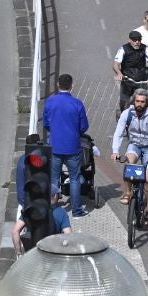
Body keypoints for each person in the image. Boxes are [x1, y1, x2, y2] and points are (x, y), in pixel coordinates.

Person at [112, 88, 148, 224]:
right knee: (128, 165)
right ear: (134, 101)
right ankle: (128, 193)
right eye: (137, 101)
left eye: (142, 102)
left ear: (146, 103)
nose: (139, 104)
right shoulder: (127, 113)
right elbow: (118, 132)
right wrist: (115, 151)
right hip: (135, 145)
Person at [43, 73, 90, 217]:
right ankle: (76, 210)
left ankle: (52, 207)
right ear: (72, 85)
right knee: (75, 178)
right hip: (73, 147)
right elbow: (84, 127)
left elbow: (46, 123)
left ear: (58, 84)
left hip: (55, 146)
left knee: (54, 178)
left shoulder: (50, 102)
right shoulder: (77, 104)